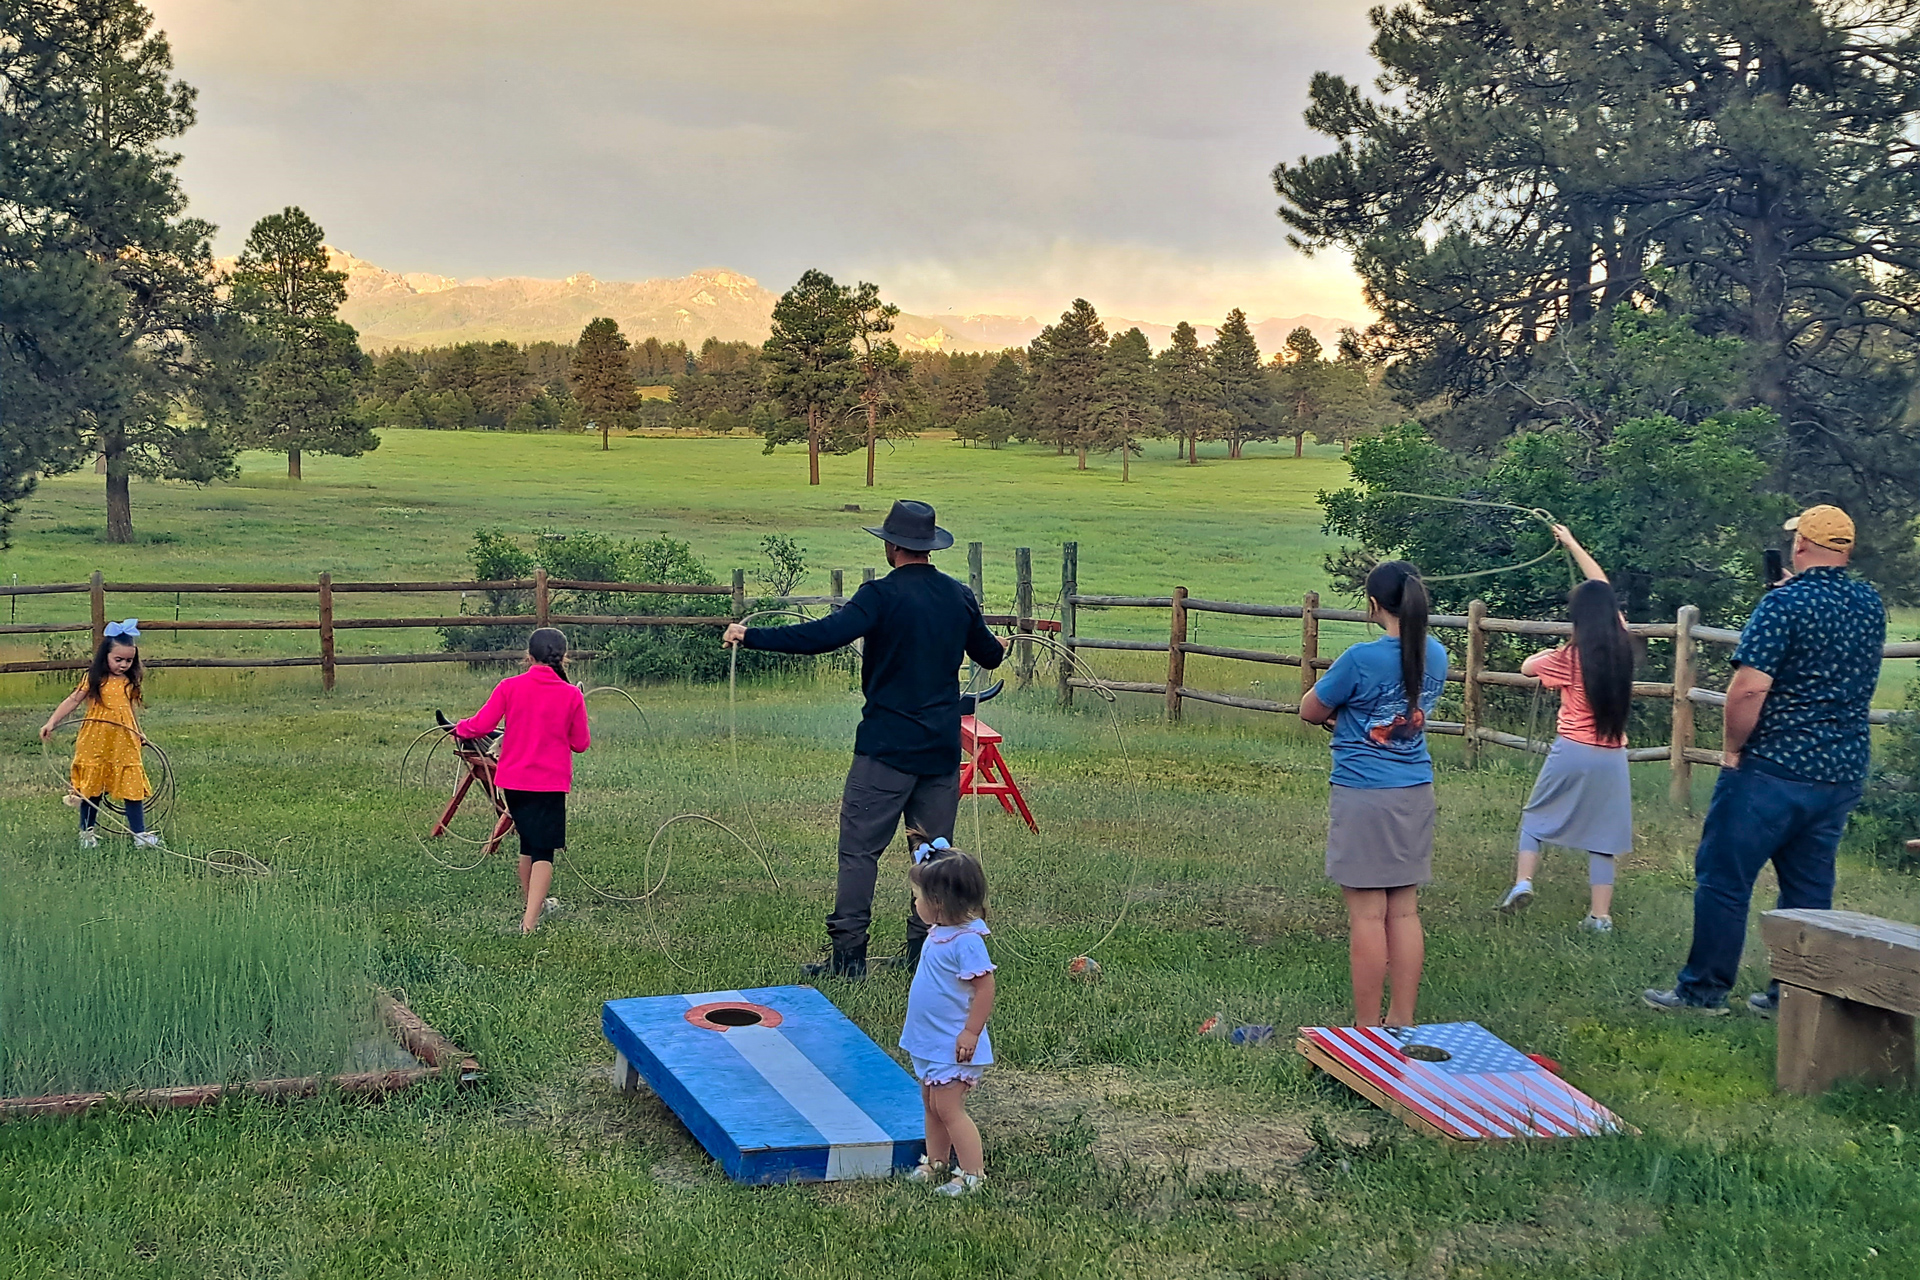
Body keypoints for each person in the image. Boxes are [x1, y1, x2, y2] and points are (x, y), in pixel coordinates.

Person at [721, 499, 1006, 978]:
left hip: (884, 750)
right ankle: (925, 955)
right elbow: (991, 656)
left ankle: (849, 958)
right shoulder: (958, 595)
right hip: (939, 751)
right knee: (934, 855)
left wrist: (751, 636)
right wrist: (991, 643)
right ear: (930, 547)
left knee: (859, 853)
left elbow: (822, 637)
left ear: (892, 547)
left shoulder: (879, 595)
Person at [1645, 505, 1885, 1015]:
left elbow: (1749, 690)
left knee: (1725, 878)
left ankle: (1704, 991)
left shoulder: (1784, 604)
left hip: (1774, 765)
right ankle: (1795, 998)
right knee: (1808, 888)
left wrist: (1733, 749)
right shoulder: (1869, 603)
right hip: (1840, 768)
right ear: (1845, 549)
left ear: (1801, 545)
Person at [1299, 561, 1449, 1028]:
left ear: (1373, 605)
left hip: (1365, 794)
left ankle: (1366, 1029)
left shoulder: (1361, 658)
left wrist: (1341, 715)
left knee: (1367, 916)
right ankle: (1401, 1018)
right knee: (1403, 913)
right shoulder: (1437, 654)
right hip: (1415, 790)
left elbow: (1310, 709)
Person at [1498, 526, 1636, 932]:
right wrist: (1573, 543)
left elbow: (1528, 668)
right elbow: (1601, 585)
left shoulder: (1566, 658)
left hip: (1572, 748)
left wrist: (1545, 652)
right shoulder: (1623, 644)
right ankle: (1600, 917)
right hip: (1613, 753)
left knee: (1536, 817)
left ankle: (1523, 883)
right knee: (1603, 837)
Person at [455, 628, 591, 935]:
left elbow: (481, 724)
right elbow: (580, 743)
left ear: (528, 657)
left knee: (528, 844)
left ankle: (535, 906)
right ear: (564, 657)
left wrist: (460, 728)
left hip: (513, 782)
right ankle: (529, 923)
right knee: (543, 851)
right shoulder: (571, 695)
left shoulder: (509, 686)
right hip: (549, 783)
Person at [899, 837, 995, 1197]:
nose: (915, 903)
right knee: (931, 1104)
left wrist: (971, 1033)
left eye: (918, 897)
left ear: (938, 903)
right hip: (930, 1038)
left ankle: (972, 1174)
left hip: (954, 1044)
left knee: (949, 1108)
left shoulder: (967, 941)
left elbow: (985, 989)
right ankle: (936, 1161)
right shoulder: (940, 932)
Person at [40, 620, 160, 849]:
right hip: (95, 740)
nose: (123, 665)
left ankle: (140, 835)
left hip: (124, 741)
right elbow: (73, 700)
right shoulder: (94, 678)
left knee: (132, 786)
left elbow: (129, 710)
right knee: (91, 787)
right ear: (105, 656)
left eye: (129, 661)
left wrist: (139, 732)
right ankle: (87, 834)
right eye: (118, 659)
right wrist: (52, 722)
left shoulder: (129, 681)